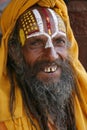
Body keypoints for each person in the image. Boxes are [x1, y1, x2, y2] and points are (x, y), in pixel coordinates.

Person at [0, 0, 87, 130]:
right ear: (14, 50)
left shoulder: (83, 97)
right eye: (36, 43)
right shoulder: (5, 119)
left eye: (59, 41)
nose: (52, 55)